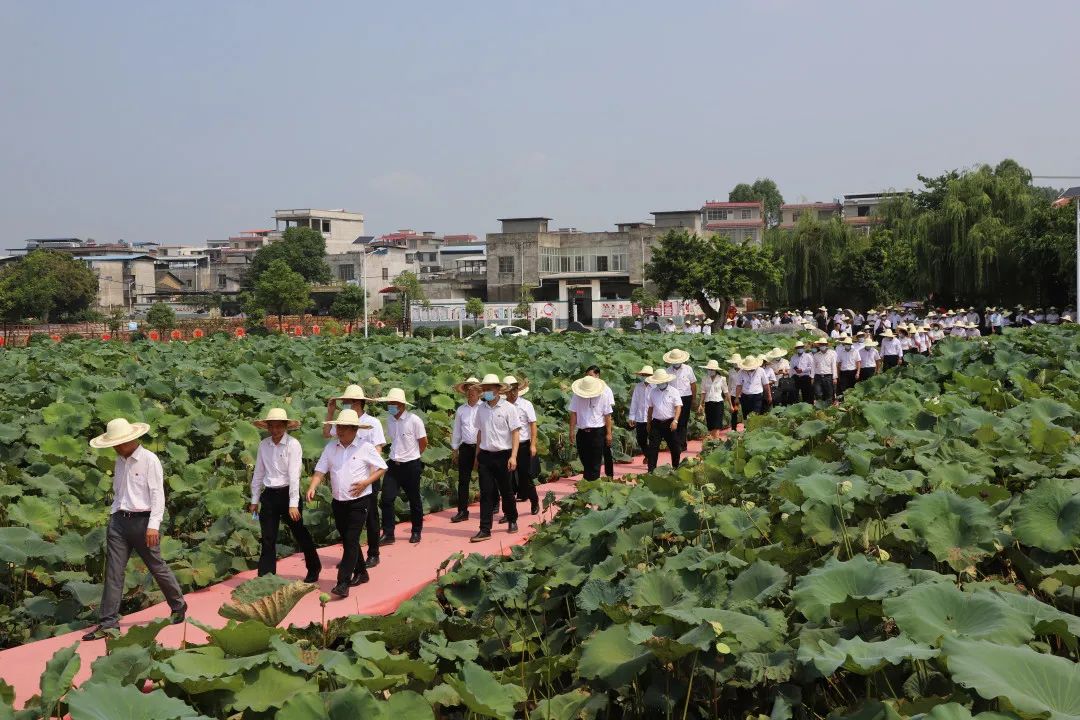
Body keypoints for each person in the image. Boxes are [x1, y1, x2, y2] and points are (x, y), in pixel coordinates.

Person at [82, 418, 187, 641]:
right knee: (113, 572)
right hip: (119, 521)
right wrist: (113, 514)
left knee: (156, 566)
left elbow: (158, 495)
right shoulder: (119, 461)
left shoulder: (150, 460)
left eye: (119, 443)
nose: (116, 448)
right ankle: (108, 623)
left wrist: (153, 525)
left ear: (132, 438)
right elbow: (120, 492)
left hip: (143, 522)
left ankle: (178, 606)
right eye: (114, 444)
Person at [307, 409, 386, 598]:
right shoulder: (330, 448)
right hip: (338, 501)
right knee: (348, 540)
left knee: (351, 539)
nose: (339, 430)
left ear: (354, 429)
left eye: (344, 427)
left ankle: (343, 582)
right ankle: (361, 572)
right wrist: (312, 487)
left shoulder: (365, 447)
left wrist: (366, 482)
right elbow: (320, 470)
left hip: (360, 501)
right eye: (338, 426)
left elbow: (383, 467)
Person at [250, 408, 320, 582]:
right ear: (267, 427)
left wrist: (293, 504)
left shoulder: (293, 444)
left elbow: (294, 475)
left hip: (288, 494)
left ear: (285, 426)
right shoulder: (263, 445)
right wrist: (254, 499)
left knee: (300, 533)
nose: (275, 430)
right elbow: (258, 473)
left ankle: (314, 567)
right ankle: (266, 577)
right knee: (267, 537)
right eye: (271, 427)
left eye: (278, 427)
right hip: (269, 495)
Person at [324, 385, 386, 569]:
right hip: (346, 474)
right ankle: (351, 558)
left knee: (371, 516)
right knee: (347, 523)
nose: (344, 404)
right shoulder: (343, 422)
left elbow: (378, 449)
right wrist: (330, 412)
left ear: (357, 402)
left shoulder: (372, 422)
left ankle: (373, 553)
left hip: (368, 475)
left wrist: (368, 476)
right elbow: (327, 434)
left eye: (347, 401)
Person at [471, 374, 521, 542]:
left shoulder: (508, 408)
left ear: (498, 390)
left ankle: (512, 518)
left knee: (506, 491)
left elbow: (515, 433)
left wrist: (513, 456)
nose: (486, 392)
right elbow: (479, 432)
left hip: (503, 455)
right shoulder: (481, 409)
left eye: (490, 389)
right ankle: (485, 529)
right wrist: (477, 455)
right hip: (485, 455)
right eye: (484, 389)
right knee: (486, 493)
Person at [377, 388, 427, 545]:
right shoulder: (390, 420)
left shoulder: (414, 420)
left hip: (411, 465)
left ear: (401, 405)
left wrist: (413, 456)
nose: (390, 406)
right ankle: (388, 533)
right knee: (386, 498)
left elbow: (423, 442)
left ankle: (416, 531)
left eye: (393, 403)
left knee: (414, 499)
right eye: (389, 403)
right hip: (393, 464)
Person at [505, 375, 539, 514]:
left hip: (523, 445)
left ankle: (534, 500)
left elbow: (533, 425)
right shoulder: (503, 406)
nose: (513, 392)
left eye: (515, 389)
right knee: (506, 479)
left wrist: (533, 444)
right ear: (505, 392)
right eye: (510, 390)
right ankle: (509, 512)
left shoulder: (526, 405)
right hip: (507, 446)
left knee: (525, 476)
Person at [568, 374, 612, 481]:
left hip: (597, 432)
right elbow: (573, 413)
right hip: (582, 432)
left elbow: (607, 415)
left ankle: (591, 486)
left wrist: (609, 433)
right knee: (585, 460)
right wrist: (571, 431)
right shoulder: (577, 396)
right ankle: (589, 484)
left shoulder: (603, 396)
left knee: (595, 462)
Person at [449, 377, 481, 524]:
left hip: (483, 447)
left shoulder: (484, 408)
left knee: (487, 479)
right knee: (463, 480)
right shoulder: (461, 410)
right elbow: (457, 431)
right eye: (468, 389)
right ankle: (462, 511)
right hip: (466, 447)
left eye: (473, 389)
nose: (470, 392)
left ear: (479, 392)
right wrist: (455, 449)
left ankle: (492, 506)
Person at [645, 368, 682, 470]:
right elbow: (650, 408)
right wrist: (648, 423)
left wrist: (675, 420)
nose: (660, 383)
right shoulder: (652, 392)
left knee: (675, 447)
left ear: (666, 380)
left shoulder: (674, 391)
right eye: (658, 382)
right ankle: (651, 471)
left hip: (670, 422)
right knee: (653, 448)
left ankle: (676, 468)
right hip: (656, 422)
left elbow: (678, 406)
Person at [663, 348, 697, 450]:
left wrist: (694, 399)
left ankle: (682, 444)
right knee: (673, 420)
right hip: (672, 398)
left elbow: (693, 384)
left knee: (683, 421)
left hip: (686, 396)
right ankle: (675, 443)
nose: (676, 363)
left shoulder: (688, 369)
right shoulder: (667, 371)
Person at [697, 359, 729, 440]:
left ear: (716, 370)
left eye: (712, 369)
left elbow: (726, 392)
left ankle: (716, 441)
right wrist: (701, 404)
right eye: (709, 369)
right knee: (710, 424)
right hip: (708, 403)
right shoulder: (705, 378)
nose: (710, 371)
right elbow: (703, 392)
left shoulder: (722, 379)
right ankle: (713, 441)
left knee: (717, 423)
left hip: (718, 403)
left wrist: (731, 404)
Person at [627, 365, 654, 459]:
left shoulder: (655, 387)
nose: (644, 376)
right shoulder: (638, 387)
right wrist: (632, 417)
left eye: (647, 375)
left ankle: (650, 460)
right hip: (640, 417)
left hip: (653, 418)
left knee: (652, 440)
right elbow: (634, 401)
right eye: (643, 375)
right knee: (641, 440)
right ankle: (649, 456)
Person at [811, 338, 837, 405]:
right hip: (818, 376)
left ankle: (828, 408)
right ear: (819, 346)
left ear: (826, 345)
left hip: (828, 376)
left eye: (823, 344)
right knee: (818, 393)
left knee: (829, 393)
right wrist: (812, 377)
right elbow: (813, 367)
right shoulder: (816, 355)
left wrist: (834, 377)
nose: (822, 346)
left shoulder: (832, 354)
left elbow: (834, 366)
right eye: (821, 345)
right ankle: (820, 407)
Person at [726, 354, 743, 428]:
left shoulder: (743, 370)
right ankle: (733, 428)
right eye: (734, 362)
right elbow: (729, 383)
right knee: (734, 412)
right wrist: (728, 394)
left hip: (743, 393)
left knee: (745, 410)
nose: (735, 364)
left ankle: (745, 427)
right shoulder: (731, 371)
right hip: (733, 394)